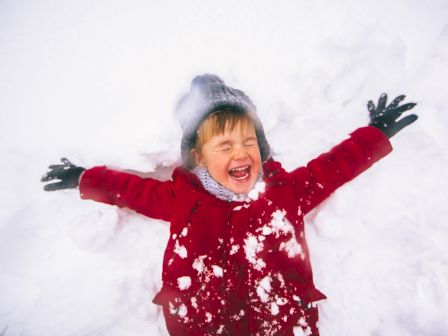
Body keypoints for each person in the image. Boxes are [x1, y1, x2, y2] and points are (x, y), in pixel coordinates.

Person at [41, 74, 417, 335]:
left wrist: (374, 134)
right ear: (198, 158)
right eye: (224, 146)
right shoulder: (182, 199)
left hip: (282, 325)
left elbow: (333, 169)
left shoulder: (285, 192)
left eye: (249, 142)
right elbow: (132, 190)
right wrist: (85, 178)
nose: (240, 153)